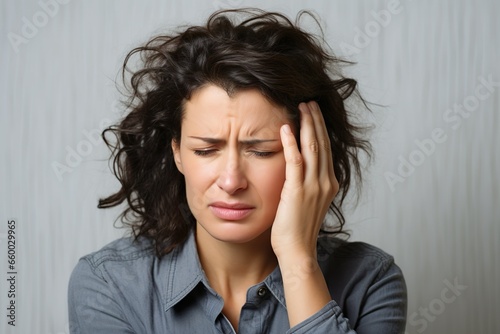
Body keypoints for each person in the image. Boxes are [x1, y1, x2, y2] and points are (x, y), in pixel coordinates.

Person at [68, 8, 407, 334]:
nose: (231, 181)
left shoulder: (370, 282)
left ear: (307, 155)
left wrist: (298, 261)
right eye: (205, 150)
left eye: (261, 151)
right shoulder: (109, 284)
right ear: (177, 153)